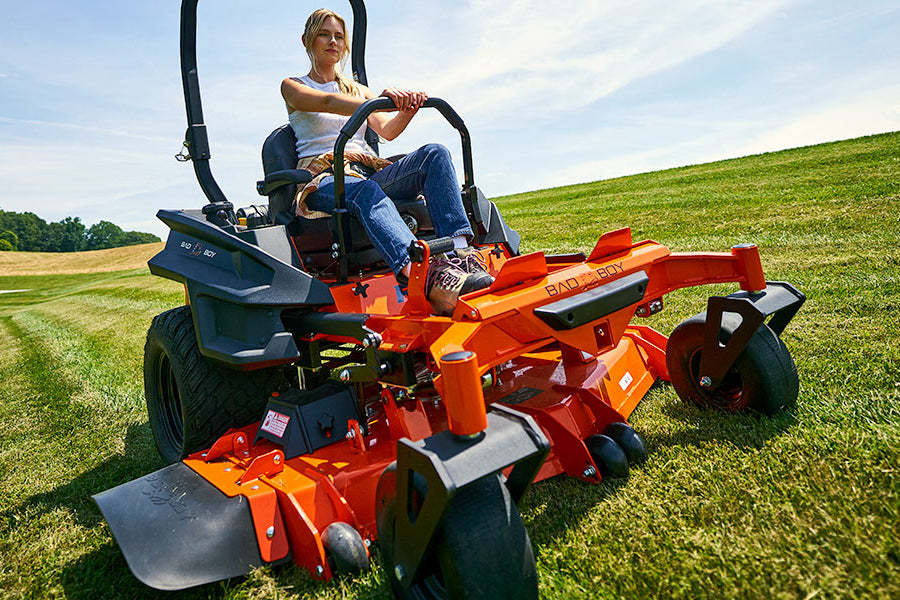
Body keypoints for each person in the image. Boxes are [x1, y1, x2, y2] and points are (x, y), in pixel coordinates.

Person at [281, 8, 491, 316]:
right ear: (307, 40)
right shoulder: (293, 85)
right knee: (364, 192)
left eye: (339, 36)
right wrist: (376, 100)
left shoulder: (357, 90)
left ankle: (460, 253)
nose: (332, 41)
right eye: (324, 34)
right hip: (323, 178)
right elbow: (326, 102)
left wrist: (407, 108)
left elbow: (388, 131)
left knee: (435, 153)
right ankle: (422, 275)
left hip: (364, 172)